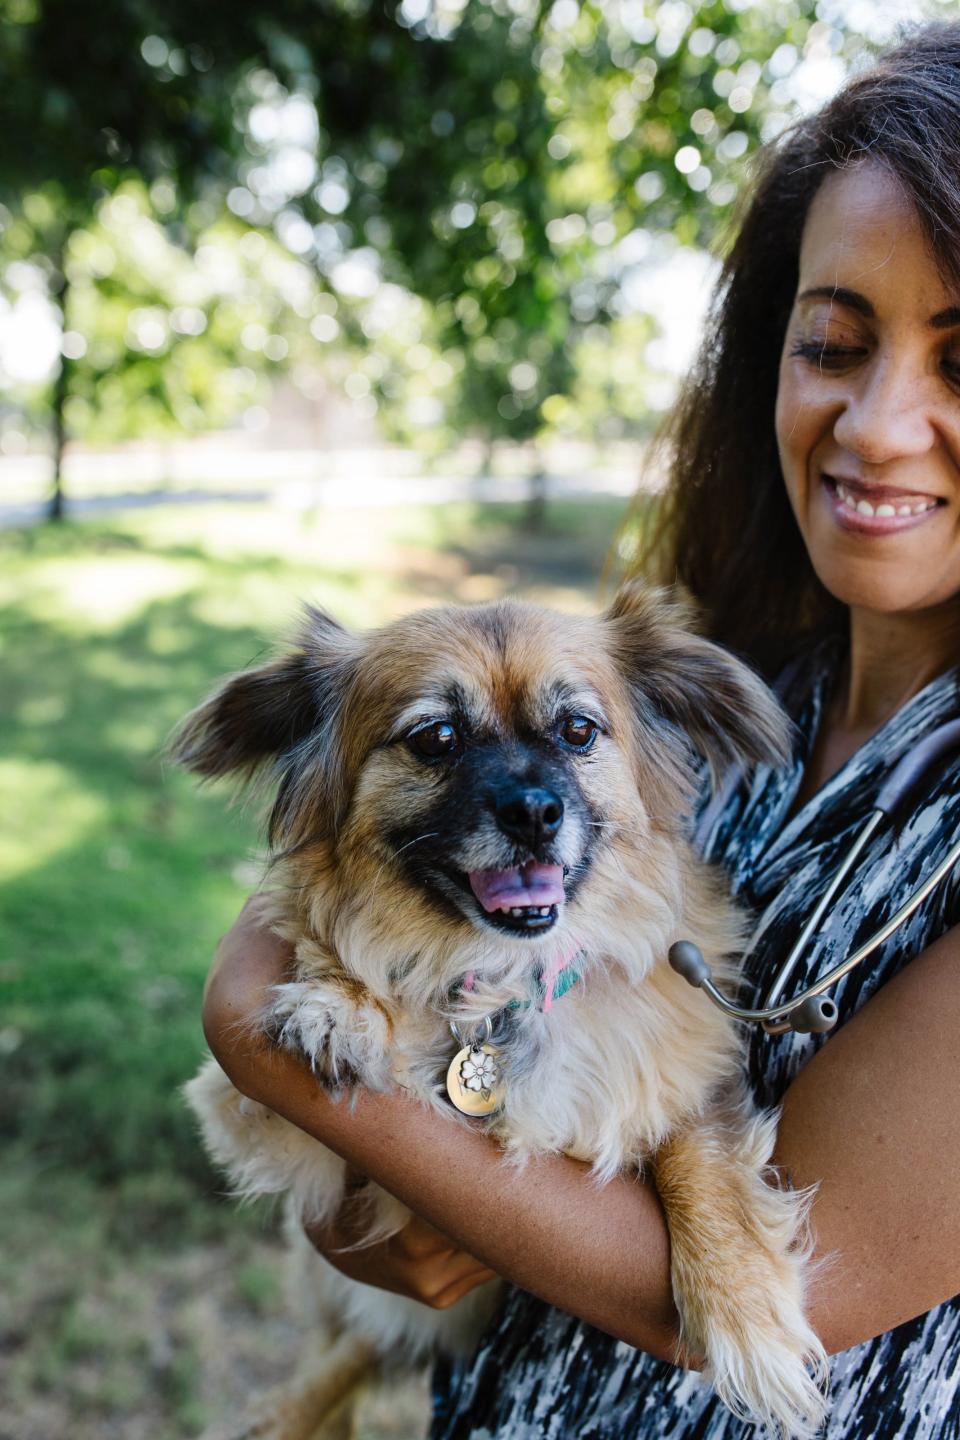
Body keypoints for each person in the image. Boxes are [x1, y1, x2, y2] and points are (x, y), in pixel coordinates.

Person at [202, 21, 960, 1438]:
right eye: (834, 344)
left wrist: (273, 1050)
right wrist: (371, 1196)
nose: (878, 424)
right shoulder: (731, 692)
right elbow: (327, 927)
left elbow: (821, 1275)